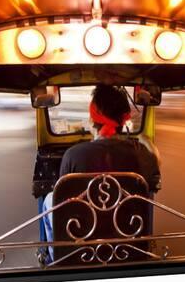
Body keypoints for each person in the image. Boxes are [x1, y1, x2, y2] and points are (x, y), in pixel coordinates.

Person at [41, 84, 161, 262]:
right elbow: (154, 181)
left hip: (82, 238)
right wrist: (150, 147)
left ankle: (56, 257)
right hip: (127, 237)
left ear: (92, 120)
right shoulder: (142, 154)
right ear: (123, 120)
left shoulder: (73, 155)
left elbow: (64, 201)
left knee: (51, 198)